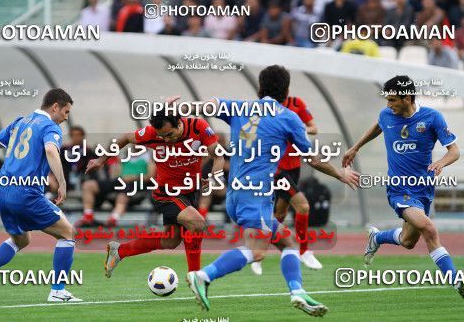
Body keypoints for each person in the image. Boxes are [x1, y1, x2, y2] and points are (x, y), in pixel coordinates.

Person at [185, 65, 359, 315]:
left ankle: (297, 291)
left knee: (288, 242)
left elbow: (207, 105)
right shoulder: (289, 117)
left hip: (236, 194)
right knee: (256, 252)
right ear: (286, 91)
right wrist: (340, 174)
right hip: (255, 196)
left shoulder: (240, 107)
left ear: (259, 87)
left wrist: (176, 108)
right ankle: (203, 276)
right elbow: (313, 159)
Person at [343, 75, 463, 298]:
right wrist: (355, 148)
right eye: (387, 101)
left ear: (407, 97)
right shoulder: (387, 115)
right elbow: (378, 126)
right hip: (399, 189)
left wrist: (440, 163)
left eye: (392, 100)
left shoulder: (432, 118)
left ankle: (377, 238)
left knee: (408, 241)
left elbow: (454, 151)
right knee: (429, 229)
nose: (388, 105)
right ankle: (457, 281)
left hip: (424, 189)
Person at [0, 89, 81, 302]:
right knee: (67, 233)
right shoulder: (50, 126)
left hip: (3, 190)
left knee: (21, 239)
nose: (66, 117)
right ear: (55, 106)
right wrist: (62, 183)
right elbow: (50, 150)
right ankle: (57, 291)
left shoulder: (21, 121)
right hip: (25, 192)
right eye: (65, 111)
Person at [87, 111, 224, 275]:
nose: (165, 139)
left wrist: (214, 176)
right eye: (162, 136)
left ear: (179, 123)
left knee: (170, 241)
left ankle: (120, 251)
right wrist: (102, 160)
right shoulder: (152, 134)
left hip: (189, 192)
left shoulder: (198, 127)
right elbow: (126, 138)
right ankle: (195, 276)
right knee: (197, 223)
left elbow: (218, 155)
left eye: (169, 134)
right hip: (166, 194)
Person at [251, 95, 322, 275]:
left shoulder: (297, 104)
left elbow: (313, 128)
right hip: (276, 169)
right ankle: (304, 251)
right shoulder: (263, 110)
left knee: (280, 214)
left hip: (294, 167)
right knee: (303, 206)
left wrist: (295, 128)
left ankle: (258, 253)